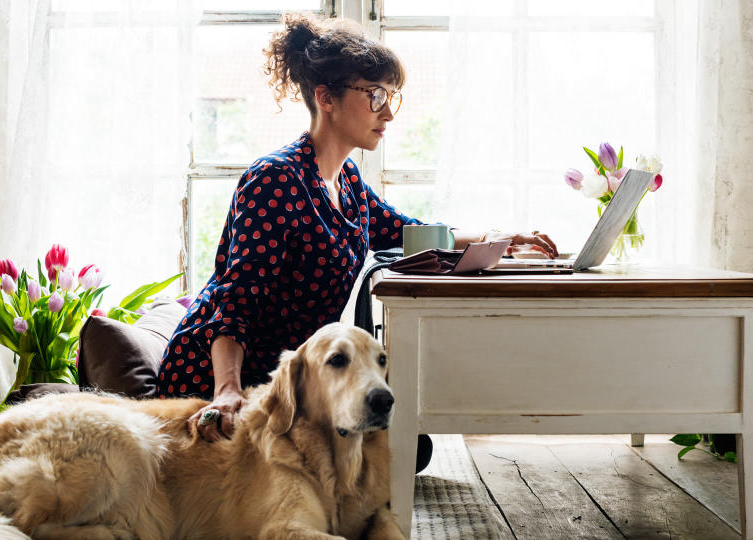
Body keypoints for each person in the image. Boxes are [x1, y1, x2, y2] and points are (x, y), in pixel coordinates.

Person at [157, 12, 557, 443]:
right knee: (396, 446)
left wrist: (500, 238)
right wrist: (227, 391)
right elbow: (235, 301)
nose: (387, 112)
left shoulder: (346, 182)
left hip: (294, 383)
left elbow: (410, 232)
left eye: (391, 96)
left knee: (406, 443)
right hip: (214, 379)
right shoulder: (274, 180)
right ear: (326, 98)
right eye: (375, 95)